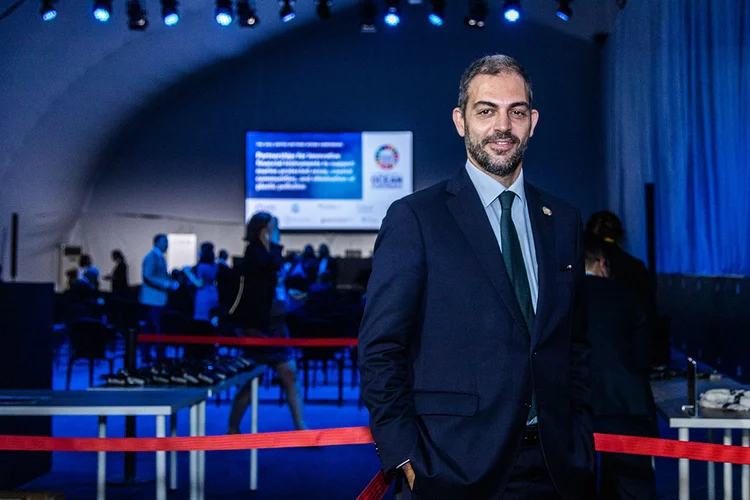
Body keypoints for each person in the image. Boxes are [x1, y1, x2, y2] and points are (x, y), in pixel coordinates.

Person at [358, 54, 593, 500]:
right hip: (451, 468)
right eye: (486, 111)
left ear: (533, 121)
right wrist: (404, 456)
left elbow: (574, 344)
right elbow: (381, 348)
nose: (502, 126)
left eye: (516, 111)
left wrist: (579, 435)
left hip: (556, 467)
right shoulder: (415, 218)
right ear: (460, 121)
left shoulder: (563, 220)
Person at [583, 232, 657, 500]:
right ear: (602, 263)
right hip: (626, 404)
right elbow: (644, 354)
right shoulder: (628, 295)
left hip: (575, 407)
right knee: (631, 486)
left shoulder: (557, 298)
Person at [228, 213, 307, 433]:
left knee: (289, 375)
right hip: (259, 327)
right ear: (264, 230)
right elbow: (263, 281)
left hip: (277, 326)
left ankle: (301, 427)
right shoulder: (255, 254)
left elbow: (274, 282)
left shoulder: (270, 252)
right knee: (252, 379)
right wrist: (268, 244)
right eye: (274, 227)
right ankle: (232, 426)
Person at [585, 211, 661, 365]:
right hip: (629, 362)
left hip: (589, 365)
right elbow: (649, 318)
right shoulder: (636, 268)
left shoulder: (579, 269)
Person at [139, 234, 179, 360]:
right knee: (156, 327)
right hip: (153, 299)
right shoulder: (152, 257)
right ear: (157, 242)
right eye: (164, 242)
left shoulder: (159, 257)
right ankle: (157, 355)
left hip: (157, 299)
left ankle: (148, 354)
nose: (167, 245)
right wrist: (166, 284)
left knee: (151, 327)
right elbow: (148, 275)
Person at [183, 242, 220, 322]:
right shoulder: (215, 266)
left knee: (203, 318)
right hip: (214, 292)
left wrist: (189, 274)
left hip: (203, 295)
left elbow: (200, 284)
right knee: (213, 317)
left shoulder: (201, 266)